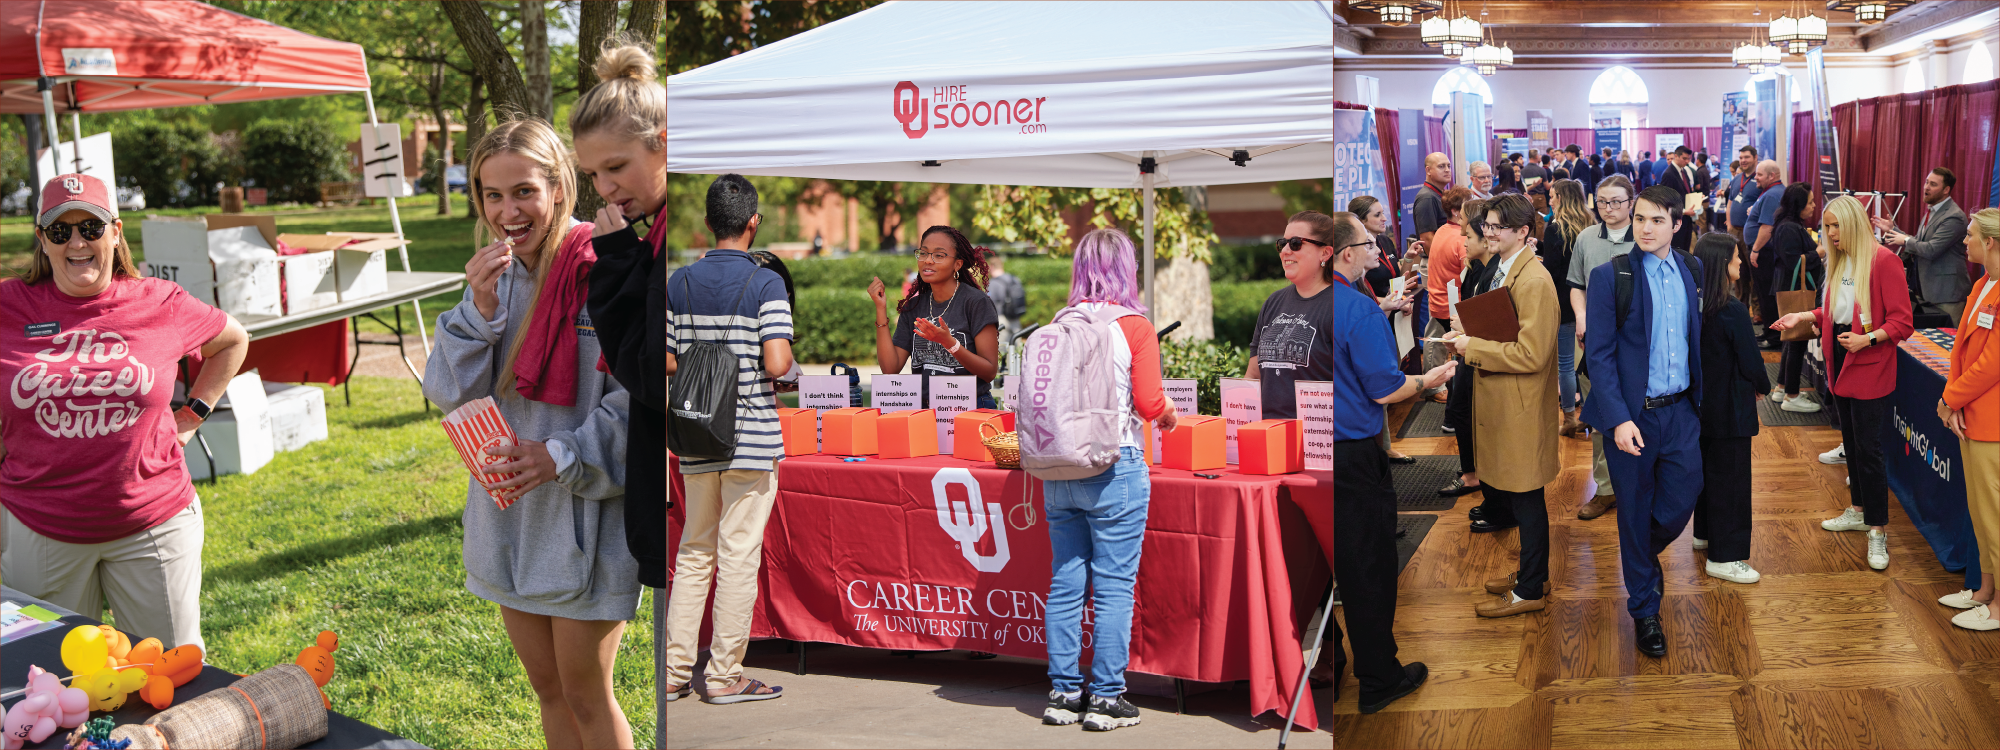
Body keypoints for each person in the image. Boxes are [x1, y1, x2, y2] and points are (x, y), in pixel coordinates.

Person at [426, 120, 640, 747]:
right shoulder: (494, 278)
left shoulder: (602, 268)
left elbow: (637, 400)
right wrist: (477, 313)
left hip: (582, 509)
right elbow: (448, 394)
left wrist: (560, 454)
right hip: (508, 514)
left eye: (523, 192)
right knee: (547, 690)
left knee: (586, 693)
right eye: (491, 196)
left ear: (559, 187)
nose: (507, 212)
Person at [0, 172, 249, 653]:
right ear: (43, 241)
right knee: (48, 681)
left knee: (171, 673)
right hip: (40, 527)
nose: (77, 242)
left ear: (115, 232)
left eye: (90, 228)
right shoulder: (8, 306)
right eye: (61, 231)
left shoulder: (160, 301)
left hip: (152, 523)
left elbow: (233, 340)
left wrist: (193, 413)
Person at [1029, 227, 1180, 731]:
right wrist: (1170, 415)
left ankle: (1064, 693)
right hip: (1115, 465)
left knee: (1066, 580)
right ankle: (1108, 698)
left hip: (1058, 468)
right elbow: (1149, 403)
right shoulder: (1134, 325)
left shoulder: (1060, 322)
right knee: (1115, 586)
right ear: (1126, 269)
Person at [662, 174, 794, 710]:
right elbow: (778, 363)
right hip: (752, 436)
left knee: (694, 554)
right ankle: (723, 677)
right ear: (753, 222)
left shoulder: (678, 281)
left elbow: (665, 357)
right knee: (738, 556)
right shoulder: (766, 284)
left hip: (696, 433)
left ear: (708, 222)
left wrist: (702, 362)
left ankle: (671, 674)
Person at [569, 39, 670, 730]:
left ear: (664, 146)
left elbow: (646, 374)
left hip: (690, 498)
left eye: (616, 168)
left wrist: (611, 266)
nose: (605, 189)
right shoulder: (655, 234)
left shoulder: (671, 242)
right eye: (594, 176)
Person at [1329, 211, 1455, 713]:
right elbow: (1388, 390)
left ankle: (1329, 668)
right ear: (1344, 253)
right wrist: (1431, 379)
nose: (1374, 250)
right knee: (1368, 569)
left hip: (1298, 452)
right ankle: (1380, 677)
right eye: (1367, 242)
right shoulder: (1354, 309)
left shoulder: (1281, 306)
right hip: (1352, 458)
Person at [1581, 185, 1707, 658]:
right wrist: (1616, 419)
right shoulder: (1610, 275)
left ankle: (1638, 555)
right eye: (1640, 220)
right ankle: (1645, 610)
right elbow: (1600, 355)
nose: (1646, 228)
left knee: (1682, 496)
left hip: (1681, 412)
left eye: (1657, 220)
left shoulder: (1691, 268)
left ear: (1678, 224)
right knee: (1633, 509)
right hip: (1631, 418)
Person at [1772, 195, 1915, 572]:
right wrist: (1802, 316)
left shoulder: (1885, 261)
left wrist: (1868, 340)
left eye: (1836, 226)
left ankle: (1878, 530)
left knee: (1868, 453)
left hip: (1868, 366)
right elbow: (1833, 312)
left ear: (1853, 223)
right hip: (1841, 367)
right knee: (1850, 445)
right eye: (1827, 227)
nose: (1830, 234)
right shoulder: (1839, 261)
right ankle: (1857, 510)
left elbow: (1902, 322)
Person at [1440, 193, 1561, 617]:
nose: (1487, 233)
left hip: (1519, 406)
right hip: (1505, 401)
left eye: (1496, 227)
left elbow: (1532, 354)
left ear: (1523, 232)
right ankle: (1533, 575)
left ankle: (1530, 589)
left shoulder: (1533, 281)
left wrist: (1471, 344)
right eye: (1486, 226)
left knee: (1527, 499)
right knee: (1520, 497)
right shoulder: (1507, 269)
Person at [1691, 233, 1771, 584]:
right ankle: (1725, 556)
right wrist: (1763, 387)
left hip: (1702, 407)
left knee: (1710, 475)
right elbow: (1752, 362)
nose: (1740, 263)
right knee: (1733, 483)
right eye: (1736, 258)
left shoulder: (1693, 304)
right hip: (1732, 408)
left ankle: (1704, 534)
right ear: (1722, 264)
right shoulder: (1733, 310)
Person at [1939, 207, 2000, 631]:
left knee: (1995, 516)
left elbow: (1992, 364)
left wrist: (1949, 398)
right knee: (1981, 513)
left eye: (1971, 235)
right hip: (1970, 414)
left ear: (1991, 243)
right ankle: (1984, 591)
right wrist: (1955, 401)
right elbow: (1962, 352)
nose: (1965, 241)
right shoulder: (1982, 283)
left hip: (1990, 420)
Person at [1567, 174, 1638, 520]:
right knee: (1599, 416)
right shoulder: (1585, 238)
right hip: (1592, 343)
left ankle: (1639, 485)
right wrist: (1580, 316)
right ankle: (1606, 488)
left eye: (1616, 202)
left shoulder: (1644, 237)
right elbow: (1576, 285)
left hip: (1635, 344)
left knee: (1637, 413)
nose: (1608, 209)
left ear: (1631, 203)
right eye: (1601, 202)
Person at [868, 226, 1002, 410]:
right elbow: (890, 368)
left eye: (939, 255)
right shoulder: (913, 307)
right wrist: (880, 308)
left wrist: (950, 344)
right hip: (927, 412)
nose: (928, 261)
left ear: (957, 264)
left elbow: (989, 371)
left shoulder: (976, 303)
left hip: (971, 409)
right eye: (923, 253)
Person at [1249, 211, 1345, 420]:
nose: (1284, 251)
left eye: (1295, 243)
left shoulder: (1340, 305)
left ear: (1325, 253)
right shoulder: (1273, 302)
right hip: (1268, 435)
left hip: (1317, 438)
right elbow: (1253, 374)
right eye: (1282, 243)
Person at [1442, 199, 1495, 507]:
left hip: (1477, 352)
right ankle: (1472, 471)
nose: (1462, 237)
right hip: (1469, 348)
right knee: (1462, 407)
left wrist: (1465, 327)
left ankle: (1476, 474)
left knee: (1467, 409)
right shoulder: (1476, 268)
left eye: (1467, 235)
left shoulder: (1490, 272)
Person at [1876, 167, 1970, 322]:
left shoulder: (1954, 216)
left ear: (1946, 190)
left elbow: (1932, 249)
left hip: (1946, 294)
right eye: (1926, 182)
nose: (1926, 187)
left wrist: (1905, 240)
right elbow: (1921, 242)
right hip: (1927, 290)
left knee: (1947, 341)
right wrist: (1894, 230)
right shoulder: (1932, 211)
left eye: (1933, 184)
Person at [1767, 183, 1824, 413]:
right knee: (1797, 342)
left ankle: (1782, 387)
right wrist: (1818, 253)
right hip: (1794, 290)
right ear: (1798, 204)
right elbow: (1794, 262)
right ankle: (1792, 395)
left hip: (1788, 287)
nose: (1813, 205)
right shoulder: (1789, 228)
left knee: (1792, 341)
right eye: (1810, 201)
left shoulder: (1790, 225)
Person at [1546, 179, 1593, 437]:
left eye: (1552, 196)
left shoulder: (1555, 229)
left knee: (1565, 364)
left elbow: (1552, 272)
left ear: (1562, 198)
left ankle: (1568, 419)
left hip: (1564, 303)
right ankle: (1588, 414)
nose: (1550, 200)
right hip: (1590, 300)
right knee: (1587, 362)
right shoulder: (1592, 224)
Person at [1422, 188, 1474, 403]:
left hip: (1439, 300)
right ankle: (1444, 391)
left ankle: (1436, 387)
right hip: (1452, 306)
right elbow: (1469, 276)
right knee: (1456, 354)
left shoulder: (1442, 230)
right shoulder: (1460, 239)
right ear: (1456, 212)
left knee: (1437, 347)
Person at [1742, 161, 1786, 348]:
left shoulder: (1773, 194)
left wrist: (1756, 250)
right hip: (1763, 252)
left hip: (1764, 252)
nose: (1755, 178)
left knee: (1767, 296)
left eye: (1759, 175)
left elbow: (1767, 227)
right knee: (1762, 293)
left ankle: (1774, 338)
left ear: (1772, 176)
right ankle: (1768, 333)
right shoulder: (1771, 193)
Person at [986, 252, 1028, 350]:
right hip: (1016, 318)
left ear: (991, 267)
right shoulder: (1014, 279)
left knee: (1000, 350)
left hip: (1001, 319)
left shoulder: (993, 283)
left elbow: (988, 303)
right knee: (1017, 350)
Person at [1725, 147, 1763, 244]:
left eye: (1746, 157)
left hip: (1751, 232)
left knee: (1750, 259)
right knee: (1734, 259)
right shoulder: (1737, 178)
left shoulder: (1761, 179)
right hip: (1733, 231)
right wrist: (1729, 226)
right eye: (1741, 158)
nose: (1743, 161)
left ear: (1755, 158)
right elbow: (1730, 203)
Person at [1414, 152, 1452, 247]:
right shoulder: (1427, 197)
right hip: (1437, 258)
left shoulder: (1438, 194)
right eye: (1441, 166)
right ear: (1428, 170)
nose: (1447, 170)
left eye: (1448, 166)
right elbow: (1427, 239)